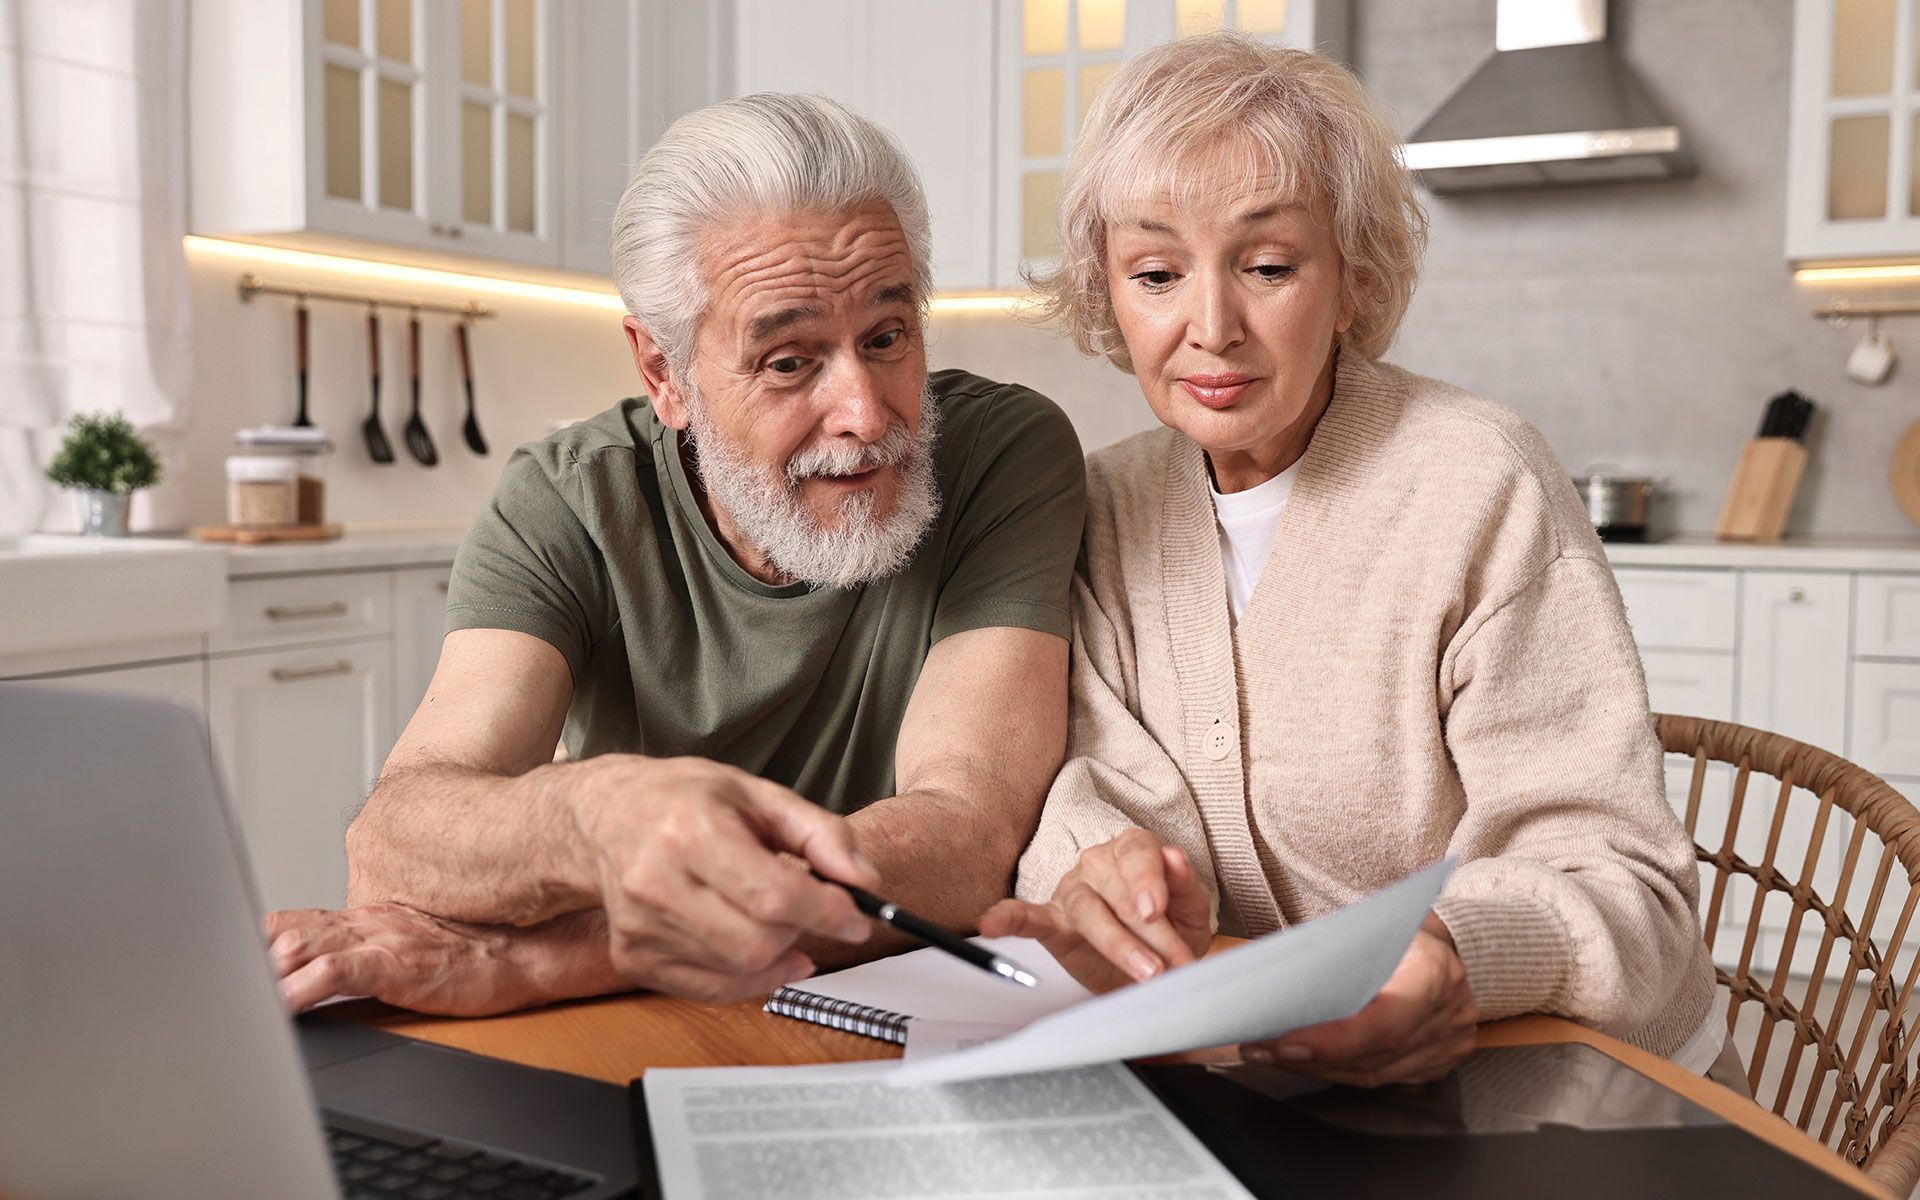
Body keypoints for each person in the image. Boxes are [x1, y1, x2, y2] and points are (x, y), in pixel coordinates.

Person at [977, 33, 1725, 1089]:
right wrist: (1102, 875)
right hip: (1278, 1089)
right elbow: (1085, 792)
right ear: (1107, 293)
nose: (1212, 328)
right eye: (1155, 273)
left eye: (1269, 266)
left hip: (1566, 1089)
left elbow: (1623, 885)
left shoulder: (1477, 479)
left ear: (1353, 275)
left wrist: (1452, 955)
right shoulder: (1100, 504)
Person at [264, 94, 1086, 1015]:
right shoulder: (571, 500)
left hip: (902, 999)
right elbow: (394, 845)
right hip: (644, 1025)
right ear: (665, 376)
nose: (864, 411)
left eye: (887, 339)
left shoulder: (1001, 452)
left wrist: (559, 955)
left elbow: (966, 839)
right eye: (789, 362)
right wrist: (600, 816)